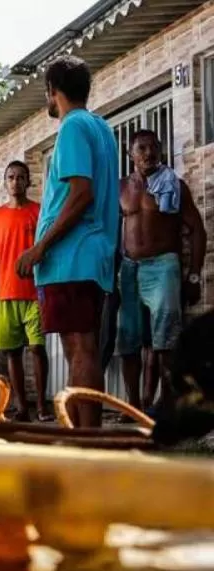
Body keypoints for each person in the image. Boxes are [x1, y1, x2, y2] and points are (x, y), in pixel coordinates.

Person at [17, 55, 120, 428]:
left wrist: (40, 246)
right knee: (82, 346)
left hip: (72, 257)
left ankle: (86, 437)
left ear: (52, 91)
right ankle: (80, 432)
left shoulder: (73, 127)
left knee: (81, 348)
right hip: (88, 257)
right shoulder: (102, 127)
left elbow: (81, 194)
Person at [116, 129, 206, 411]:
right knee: (128, 341)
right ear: (130, 154)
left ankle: (167, 405)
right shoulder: (120, 188)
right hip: (129, 270)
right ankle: (133, 407)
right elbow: (108, 233)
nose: (148, 153)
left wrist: (193, 275)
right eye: (141, 148)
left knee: (165, 340)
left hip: (164, 266)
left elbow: (197, 231)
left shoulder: (174, 185)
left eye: (154, 147)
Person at [0, 162, 51, 422]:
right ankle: (22, 406)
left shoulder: (39, 212)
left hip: (35, 291)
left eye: (21, 177)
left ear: (28, 182)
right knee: (11, 352)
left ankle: (43, 406)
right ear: (5, 182)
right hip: (5, 292)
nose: (16, 182)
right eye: (11, 177)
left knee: (37, 348)